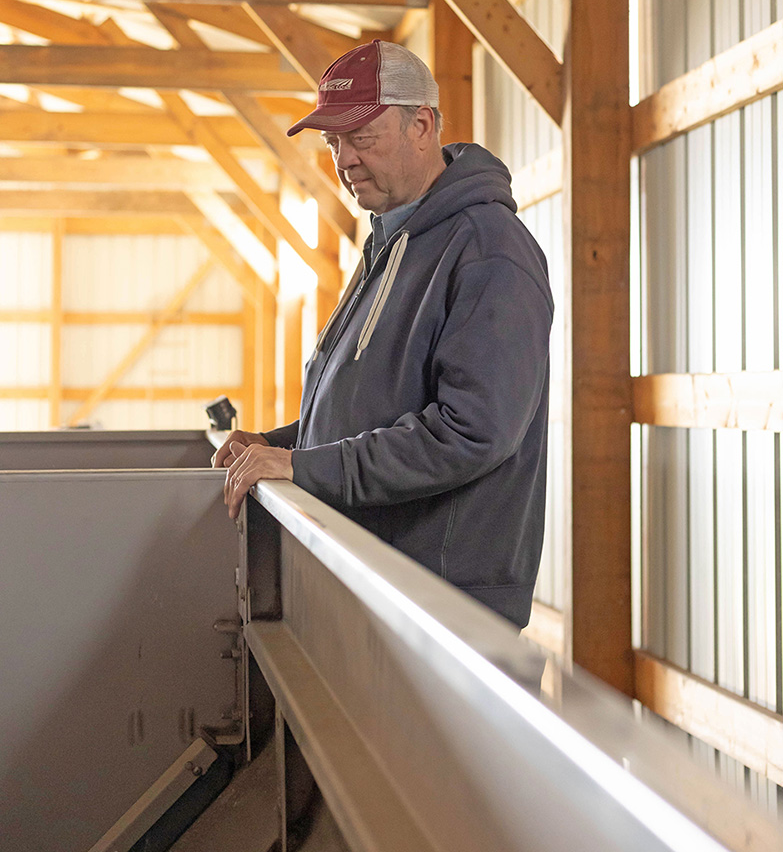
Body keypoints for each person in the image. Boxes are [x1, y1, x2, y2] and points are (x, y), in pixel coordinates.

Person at [214, 39, 553, 628]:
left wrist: (307, 469)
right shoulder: (390, 242)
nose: (343, 159)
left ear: (421, 124)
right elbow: (371, 406)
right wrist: (280, 447)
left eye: (360, 137)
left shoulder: (486, 250)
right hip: (379, 585)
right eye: (333, 142)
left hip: (443, 607)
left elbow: (471, 432)